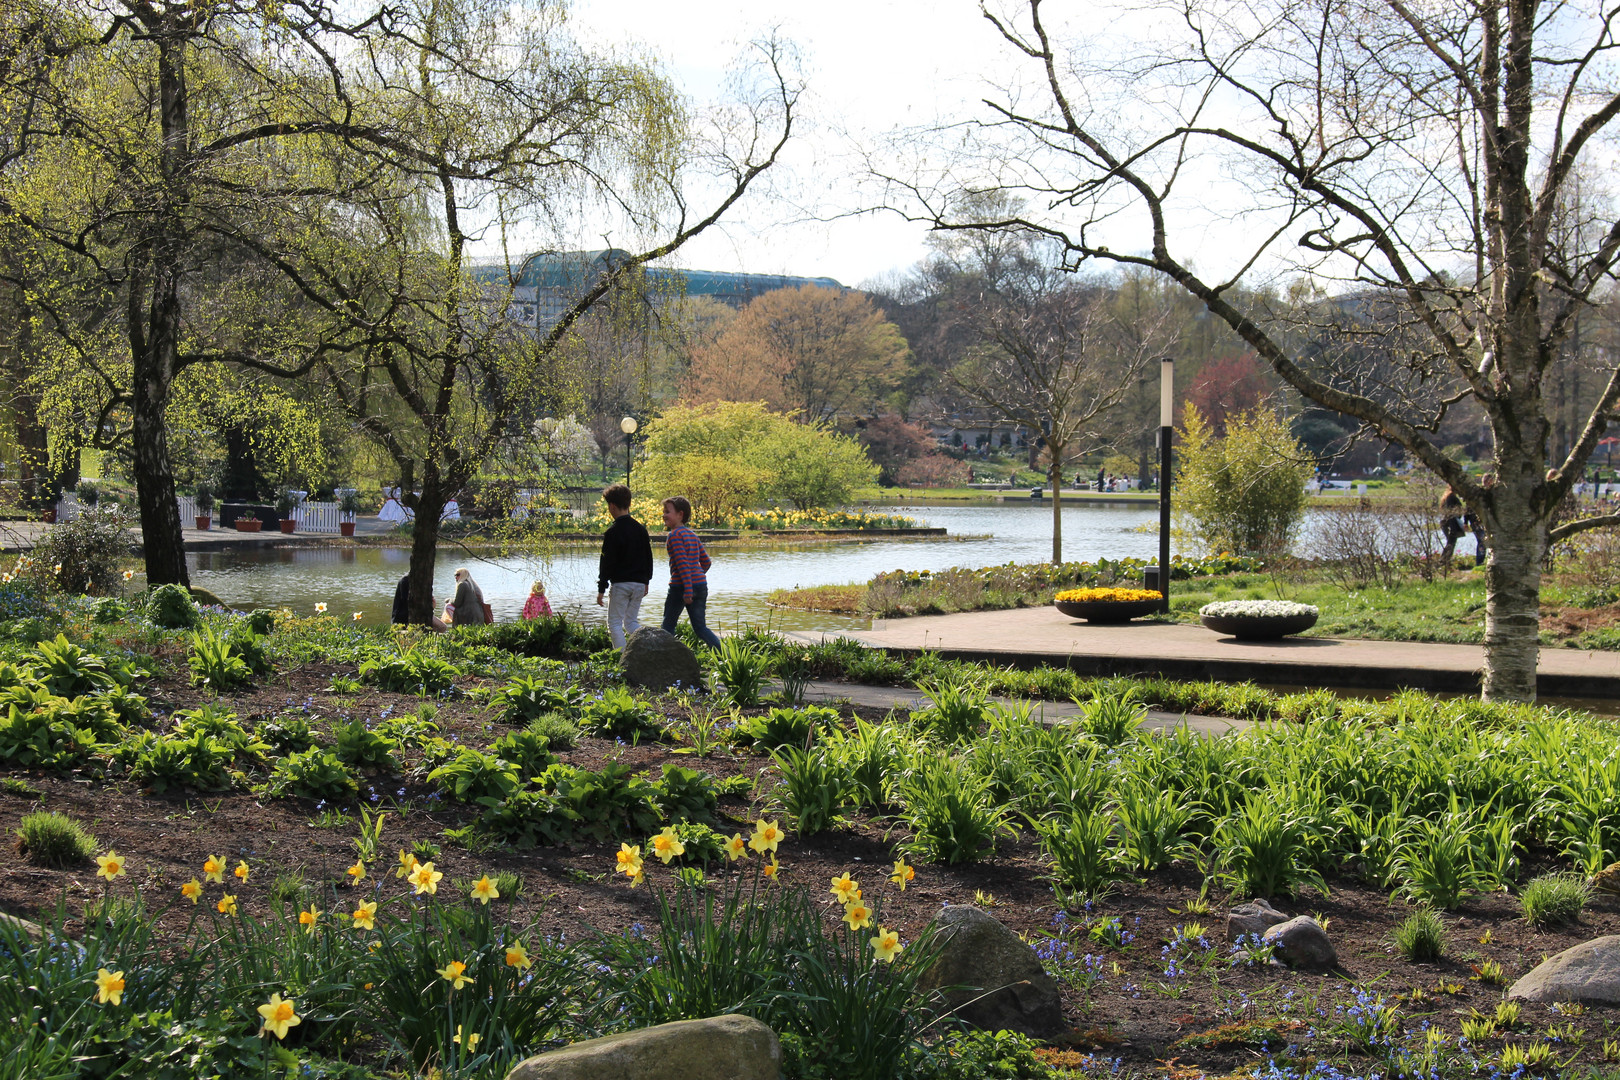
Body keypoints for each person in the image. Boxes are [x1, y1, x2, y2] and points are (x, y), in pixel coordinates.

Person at [595, 484, 653, 649]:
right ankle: (649, 645)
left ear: (612, 506)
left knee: (614, 623)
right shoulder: (641, 530)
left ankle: (622, 660)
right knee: (631, 622)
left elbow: (606, 563)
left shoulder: (613, 532)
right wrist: (646, 581)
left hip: (621, 584)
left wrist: (601, 589)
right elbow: (648, 557)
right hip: (639, 584)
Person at [660, 496, 721, 649]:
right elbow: (706, 562)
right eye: (663, 511)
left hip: (681, 587)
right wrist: (697, 576)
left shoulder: (674, 536)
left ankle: (664, 661)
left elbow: (683, 565)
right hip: (700, 585)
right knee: (700, 628)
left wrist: (688, 589)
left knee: (668, 626)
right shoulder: (692, 535)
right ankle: (725, 657)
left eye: (668, 511)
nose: (664, 515)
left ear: (680, 515)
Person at [1438, 487, 1466, 569]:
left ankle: (1445, 561)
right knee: (1451, 543)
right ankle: (1443, 561)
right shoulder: (1451, 497)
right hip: (1451, 523)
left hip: (1446, 523)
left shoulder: (1447, 497)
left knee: (1450, 543)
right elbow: (1453, 512)